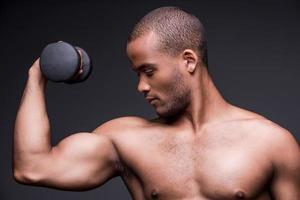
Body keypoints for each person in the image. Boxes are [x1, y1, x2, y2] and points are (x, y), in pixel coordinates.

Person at [13, 6, 299, 200]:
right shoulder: (126, 140)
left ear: (188, 60)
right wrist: (37, 74)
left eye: (149, 71)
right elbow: (32, 167)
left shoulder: (271, 142)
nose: (141, 86)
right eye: (137, 74)